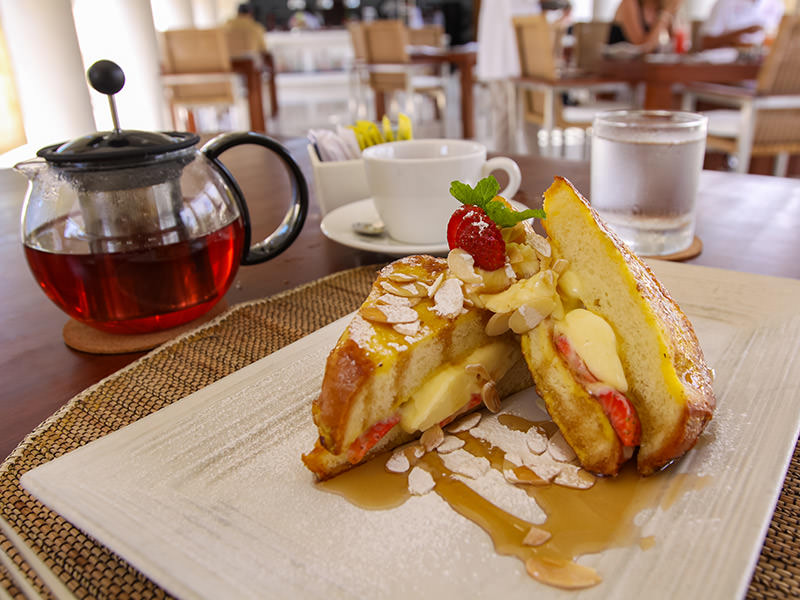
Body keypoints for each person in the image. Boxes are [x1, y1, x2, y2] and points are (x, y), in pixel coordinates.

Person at [476, 0, 541, 152]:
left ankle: (520, 165)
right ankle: (507, 166)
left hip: (512, 52)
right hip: (510, 51)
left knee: (526, 117)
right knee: (509, 117)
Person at [699, 0, 784, 49]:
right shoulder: (725, 3)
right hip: (726, 65)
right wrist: (742, 32)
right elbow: (706, 42)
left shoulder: (776, 5)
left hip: (762, 65)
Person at [607, 0, 684, 53]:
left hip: (644, 70)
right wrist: (667, 13)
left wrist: (673, 10)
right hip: (619, 69)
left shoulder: (659, 6)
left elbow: (675, 42)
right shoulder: (629, 2)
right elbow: (643, 47)